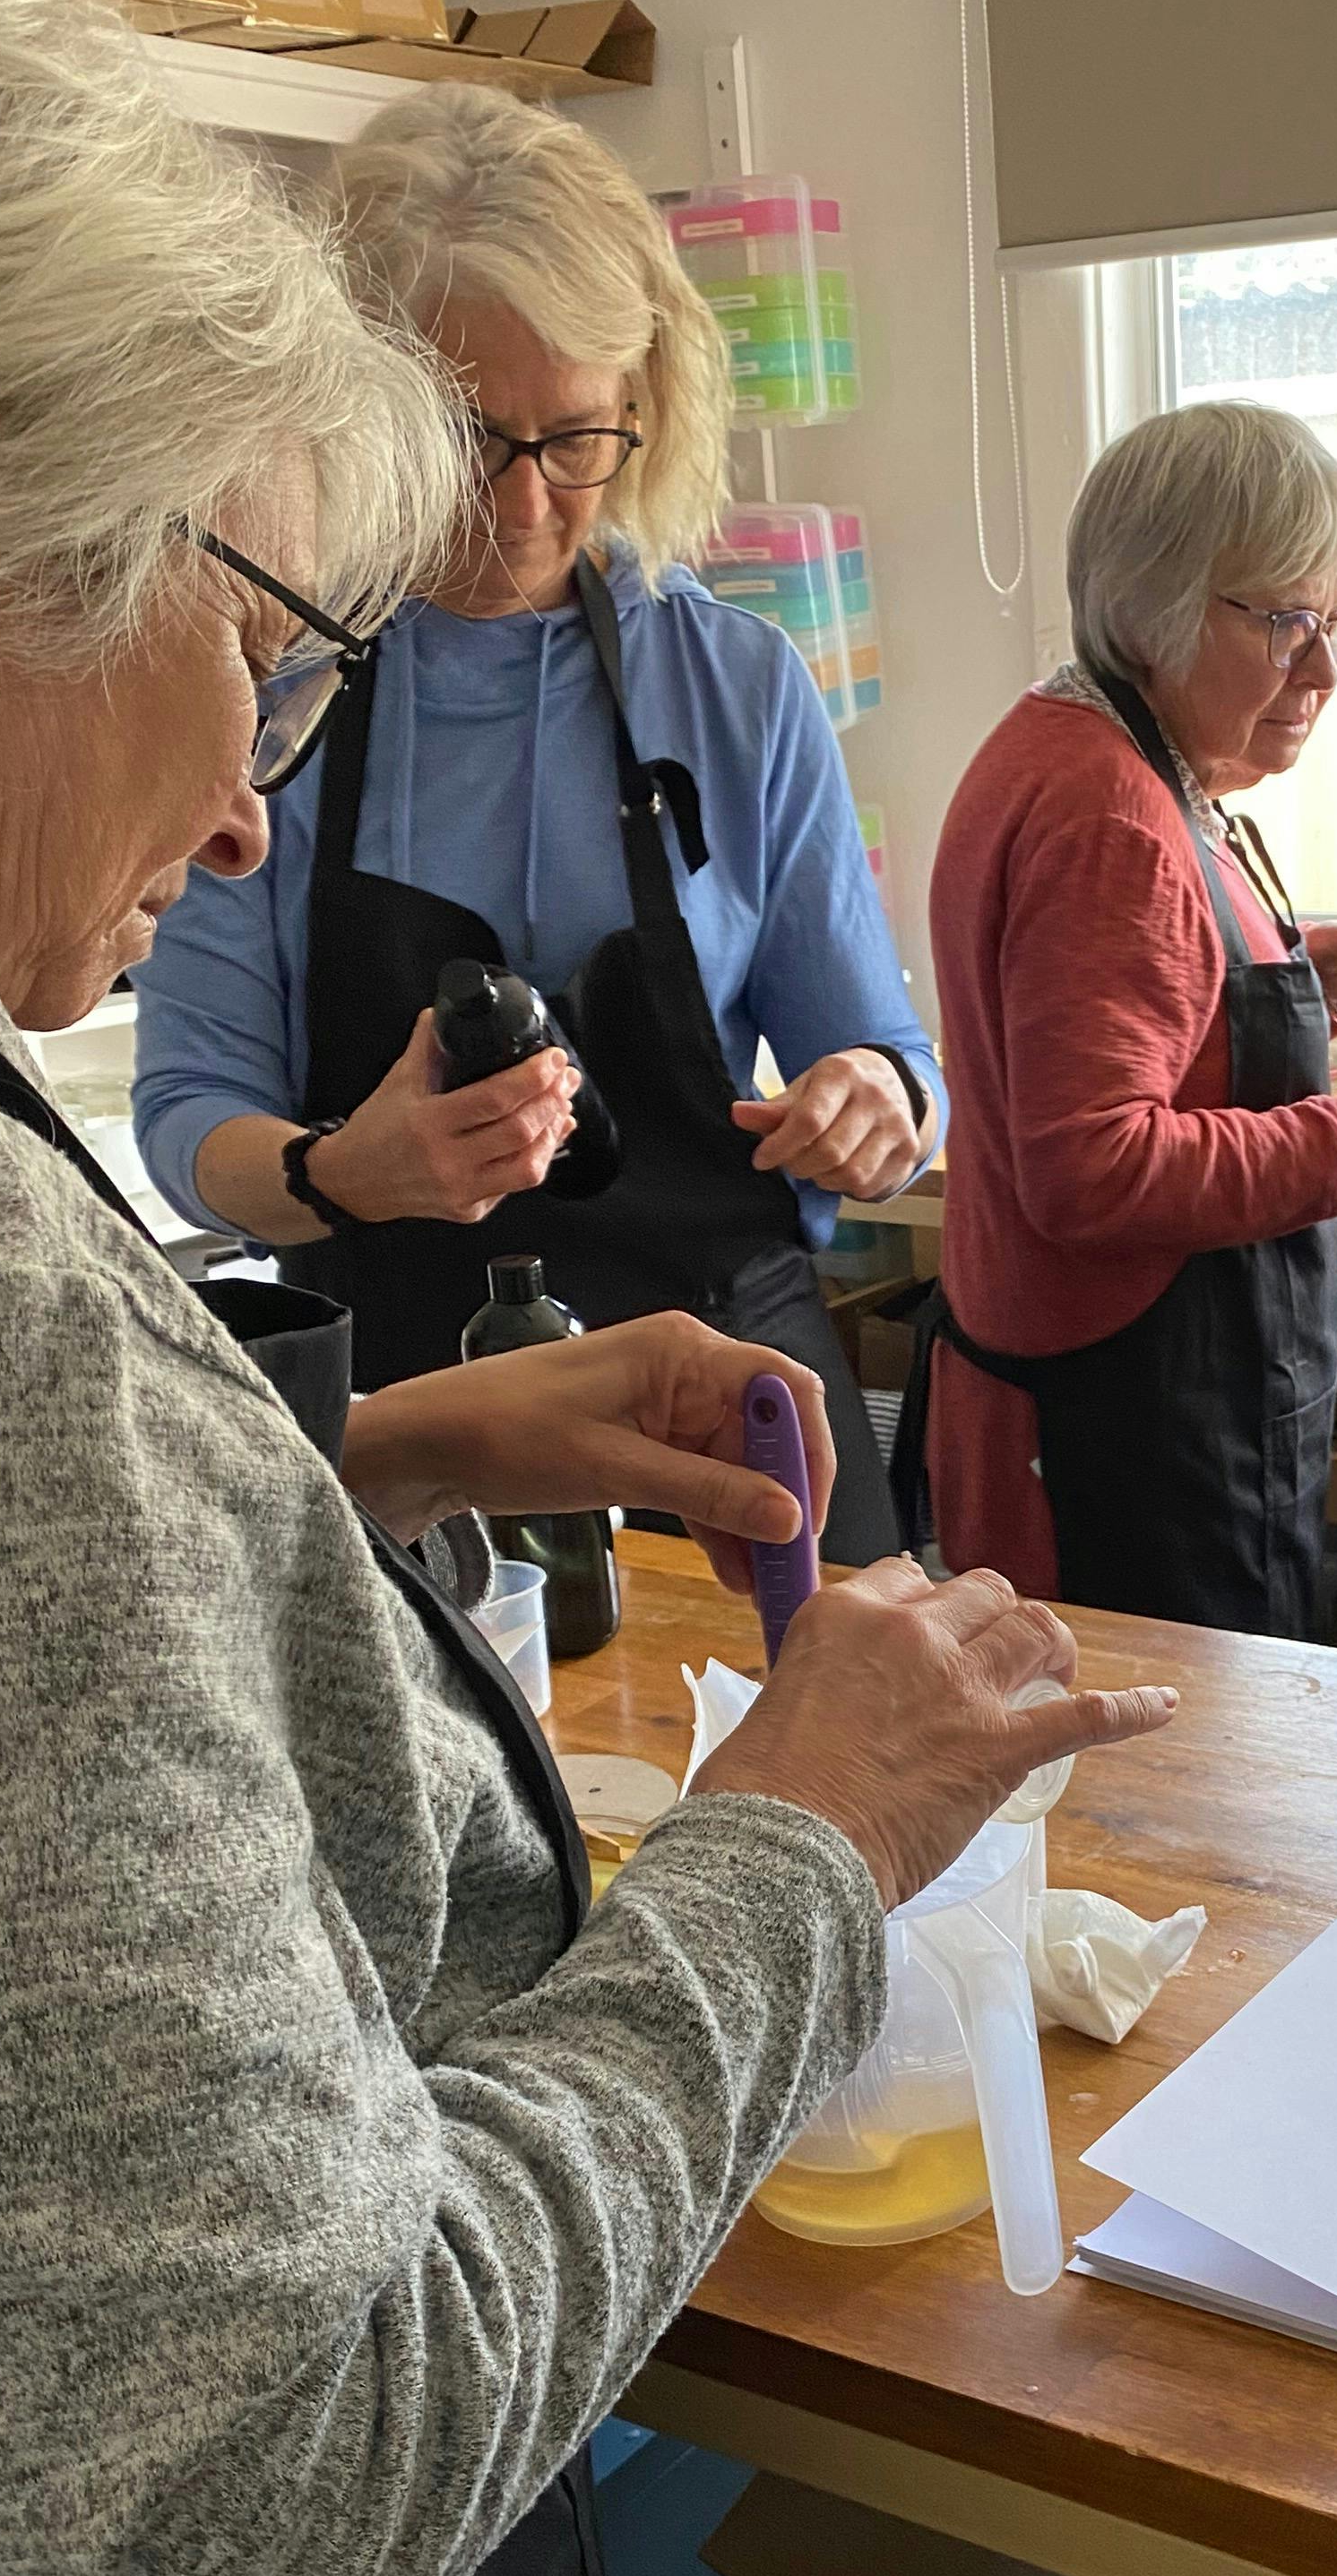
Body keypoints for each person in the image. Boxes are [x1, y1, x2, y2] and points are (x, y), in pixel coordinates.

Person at [0, 0, 1170, 2576]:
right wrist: (800, 1852)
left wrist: (374, 1452)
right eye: (265, 639)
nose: (263, 795)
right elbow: (247, 2503)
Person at [132, 84, 936, 1559]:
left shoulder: (737, 685)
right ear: (356, 407)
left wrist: (877, 1101)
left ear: (644, 409)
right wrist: (335, 1172)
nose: (519, 507)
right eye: (465, 435)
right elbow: (189, 1111)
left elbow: (887, 1056)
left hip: (730, 1411)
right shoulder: (266, 689)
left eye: (573, 442)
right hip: (413, 1435)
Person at [914, 401, 1337, 1634]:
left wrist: (1310, 969)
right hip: (1129, 1437)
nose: (1325, 669)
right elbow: (1095, 1170)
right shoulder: (1112, 815)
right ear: (1156, 608)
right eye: (1288, 621)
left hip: (1117, 1401)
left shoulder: (1087, 744)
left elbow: (1144, 1009)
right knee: (1173, 1755)